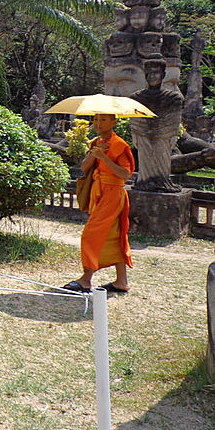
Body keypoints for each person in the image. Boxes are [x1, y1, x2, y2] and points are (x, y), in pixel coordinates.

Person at [64, 113, 135, 294]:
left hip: (113, 194)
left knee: (91, 234)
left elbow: (125, 175)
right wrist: (95, 154)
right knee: (114, 235)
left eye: (103, 120)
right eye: (96, 120)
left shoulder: (120, 145)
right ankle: (121, 281)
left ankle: (86, 279)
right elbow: (84, 167)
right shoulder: (96, 142)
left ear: (113, 122)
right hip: (99, 192)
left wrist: (105, 158)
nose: (98, 123)